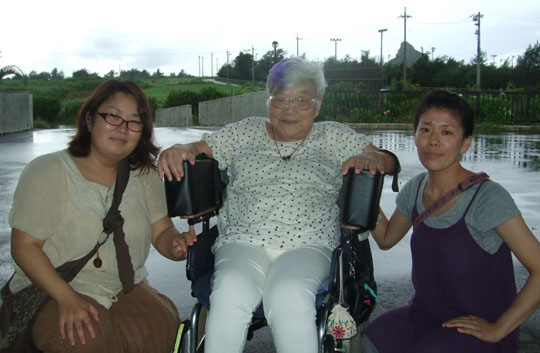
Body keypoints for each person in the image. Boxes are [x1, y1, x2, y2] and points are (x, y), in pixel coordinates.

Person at [158, 57, 399, 353]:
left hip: (309, 243)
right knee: (229, 292)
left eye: (301, 99)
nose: (289, 109)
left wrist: (375, 159)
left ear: (318, 105)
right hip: (242, 240)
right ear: (268, 100)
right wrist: (178, 149)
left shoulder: (333, 135)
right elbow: (198, 148)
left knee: (288, 295)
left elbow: (387, 160)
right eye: (280, 98)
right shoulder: (245, 131)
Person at [6, 80, 196, 353]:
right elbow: (24, 247)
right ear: (90, 119)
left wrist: (176, 245)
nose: (123, 128)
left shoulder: (143, 174)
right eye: (113, 116)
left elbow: (161, 230)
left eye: (134, 121)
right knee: (82, 337)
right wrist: (66, 297)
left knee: (159, 323)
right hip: (56, 286)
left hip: (122, 287)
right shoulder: (49, 170)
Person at [362, 90, 540, 353]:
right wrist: (360, 193)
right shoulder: (416, 188)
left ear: (465, 143)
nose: (433, 141)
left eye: (447, 132)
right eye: (425, 130)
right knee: (370, 340)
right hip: (425, 316)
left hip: (475, 328)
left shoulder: (487, 198)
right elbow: (387, 238)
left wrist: (499, 328)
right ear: (415, 136)